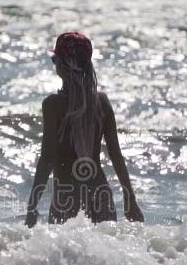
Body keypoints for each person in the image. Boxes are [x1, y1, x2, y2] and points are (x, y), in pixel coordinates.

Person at [25, 32, 144, 228]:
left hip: (66, 196)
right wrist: (129, 197)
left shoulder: (53, 104)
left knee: (65, 257)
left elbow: (46, 159)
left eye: (55, 59)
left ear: (63, 65)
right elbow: (115, 154)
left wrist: (32, 206)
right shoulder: (101, 102)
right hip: (100, 193)